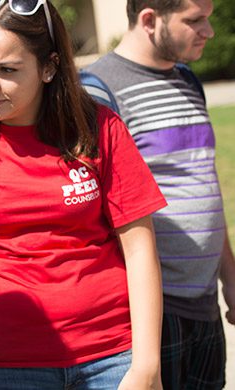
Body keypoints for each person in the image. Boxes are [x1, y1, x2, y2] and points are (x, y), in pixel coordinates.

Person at [0, 1, 167, 388]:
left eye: (7, 70)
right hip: (5, 364)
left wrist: (147, 366)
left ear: (49, 67)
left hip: (110, 356)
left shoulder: (98, 127)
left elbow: (140, 249)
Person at [82, 1, 235, 388]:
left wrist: (229, 275)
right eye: (195, 20)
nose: (209, 31)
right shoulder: (97, 90)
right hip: (152, 312)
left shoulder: (188, 80)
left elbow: (203, 180)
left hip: (205, 306)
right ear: (149, 20)